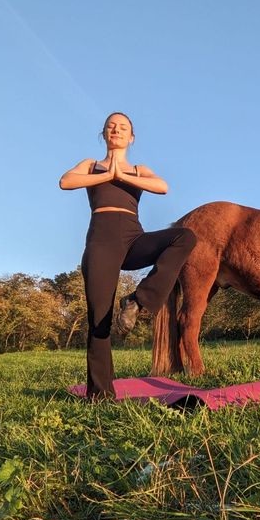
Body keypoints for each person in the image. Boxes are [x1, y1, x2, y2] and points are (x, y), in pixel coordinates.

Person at [59, 112, 196, 399]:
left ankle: (137, 299)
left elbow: (163, 186)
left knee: (185, 237)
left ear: (131, 137)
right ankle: (100, 395)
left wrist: (124, 173)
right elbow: (66, 181)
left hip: (133, 238)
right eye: (111, 126)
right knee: (100, 318)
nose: (116, 130)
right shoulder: (91, 166)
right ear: (104, 134)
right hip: (100, 243)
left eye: (123, 127)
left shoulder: (139, 169)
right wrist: (110, 174)